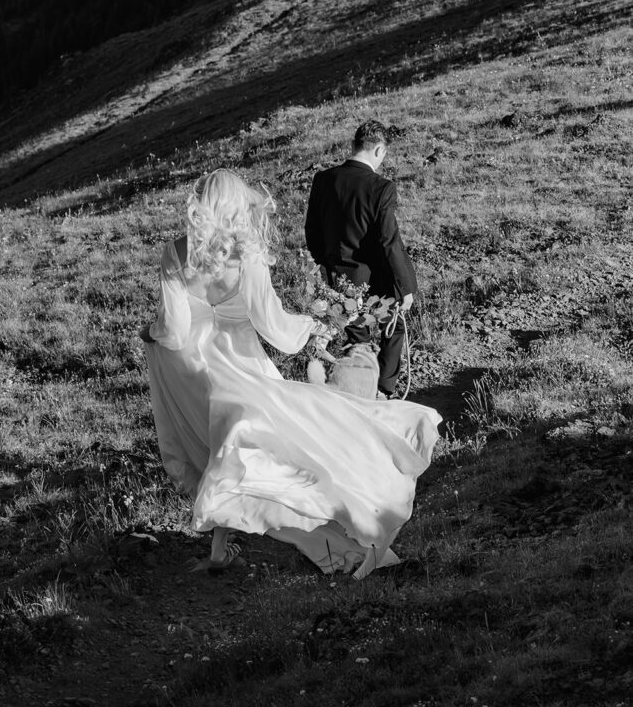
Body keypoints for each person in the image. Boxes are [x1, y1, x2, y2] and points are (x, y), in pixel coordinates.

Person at [141, 168, 440, 578]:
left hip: (197, 374)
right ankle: (339, 531)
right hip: (243, 371)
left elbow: (173, 332)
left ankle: (221, 549)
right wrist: (312, 327)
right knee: (274, 457)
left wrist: (151, 334)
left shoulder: (175, 255)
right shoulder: (246, 259)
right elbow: (274, 328)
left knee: (224, 457)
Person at [304, 120, 417, 397]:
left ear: (354, 146)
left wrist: (327, 265)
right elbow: (389, 242)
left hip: (340, 280)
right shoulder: (381, 188)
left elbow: (312, 231)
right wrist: (406, 287)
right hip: (380, 281)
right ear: (378, 150)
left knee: (356, 342)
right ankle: (383, 390)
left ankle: (356, 390)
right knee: (394, 331)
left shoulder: (323, 180)